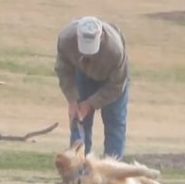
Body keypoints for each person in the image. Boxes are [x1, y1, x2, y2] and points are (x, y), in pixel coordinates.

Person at [54, 16, 129, 159]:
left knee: (115, 124)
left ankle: (112, 173)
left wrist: (90, 104)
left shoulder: (115, 50)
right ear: (77, 37)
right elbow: (64, 71)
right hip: (83, 74)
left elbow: (117, 85)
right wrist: (72, 100)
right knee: (79, 120)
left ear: (101, 38)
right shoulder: (65, 39)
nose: (88, 53)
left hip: (112, 80)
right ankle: (78, 172)